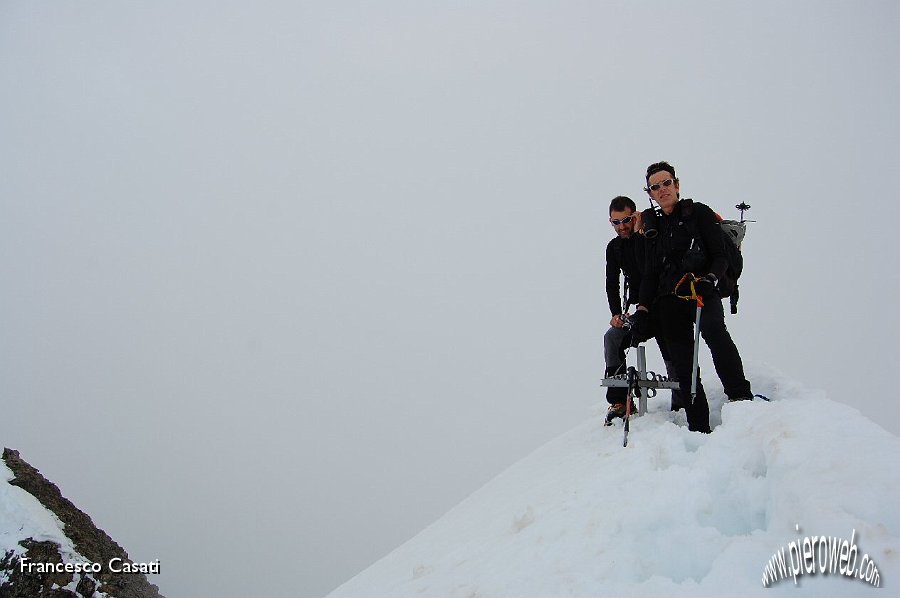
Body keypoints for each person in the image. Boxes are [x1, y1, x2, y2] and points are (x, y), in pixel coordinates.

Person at [631, 161, 753, 433]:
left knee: (714, 332)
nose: (662, 190)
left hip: (700, 290)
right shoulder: (653, 229)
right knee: (684, 361)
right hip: (668, 302)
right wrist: (642, 308)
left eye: (666, 183)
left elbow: (720, 255)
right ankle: (698, 426)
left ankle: (741, 398)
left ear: (676, 184)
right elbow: (650, 274)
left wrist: (711, 279)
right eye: (655, 187)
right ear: (650, 194)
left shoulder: (698, 213)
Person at [603, 196, 681, 423]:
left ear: (635, 216)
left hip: (663, 305)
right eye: (616, 222)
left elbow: (650, 267)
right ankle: (619, 402)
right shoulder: (614, 247)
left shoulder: (649, 237)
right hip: (637, 311)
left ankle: (681, 401)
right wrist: (616, 313)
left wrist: (639, 233)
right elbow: (611, 282)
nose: (622, 226)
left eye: (626, 220)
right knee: (613, 338)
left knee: (672, 349)